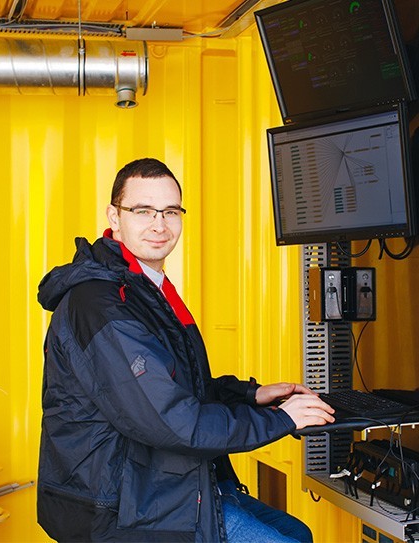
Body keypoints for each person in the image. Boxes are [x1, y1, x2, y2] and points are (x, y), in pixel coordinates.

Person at [36, 158, 335, 543]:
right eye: (143, 210)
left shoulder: (146, 288)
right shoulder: (101, 303)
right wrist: (282, 421)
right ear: (115, 215)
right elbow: (171, 420)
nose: (159, 225)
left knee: (299, 533)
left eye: (171, 211)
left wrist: (252, 395)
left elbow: (175, 385)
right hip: (122, 506)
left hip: (163, 484)